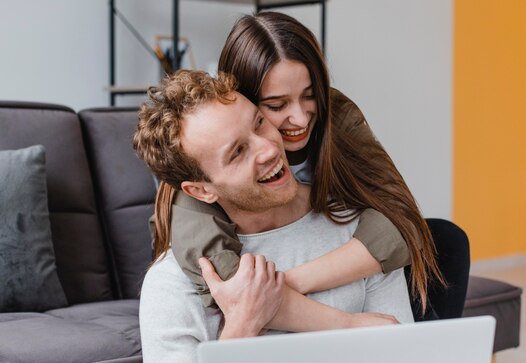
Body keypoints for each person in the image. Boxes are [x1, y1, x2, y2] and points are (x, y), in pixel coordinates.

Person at [134, 70, 414, 363]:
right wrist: (241, 326)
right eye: (237, 152)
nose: (268, 149)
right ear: (201, 190)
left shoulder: (353, 231)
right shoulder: (174, 280)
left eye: (259, 124)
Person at [158, 11, 450, 320]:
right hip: (266, 268)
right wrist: (346, 324)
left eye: (309, 96)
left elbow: (401, 219)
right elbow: (229, 283)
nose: (299, 118)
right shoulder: (198, 178)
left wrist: (291, 283)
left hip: (311, 256)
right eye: (276, 105)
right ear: (238, 100)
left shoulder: (337, 116)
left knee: (446, 239)